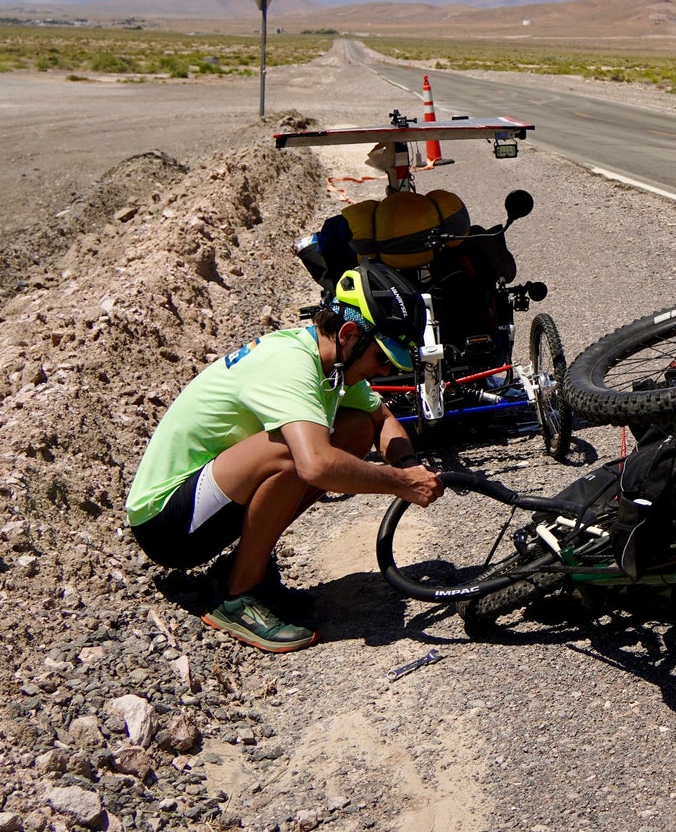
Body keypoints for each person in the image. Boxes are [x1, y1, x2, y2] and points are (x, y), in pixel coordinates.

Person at [125, 261, 445, 652]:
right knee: (296, 453)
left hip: (207, 501)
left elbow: (381, 419)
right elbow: (314, 465)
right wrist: (401, 484)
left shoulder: (328, 360)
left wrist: (409, 466)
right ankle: (237, 597)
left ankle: (243, 569)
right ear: (348, 335)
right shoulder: (290, 364)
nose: (382, 370)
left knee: (356, 426)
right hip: (166, 524)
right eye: (382, 359)